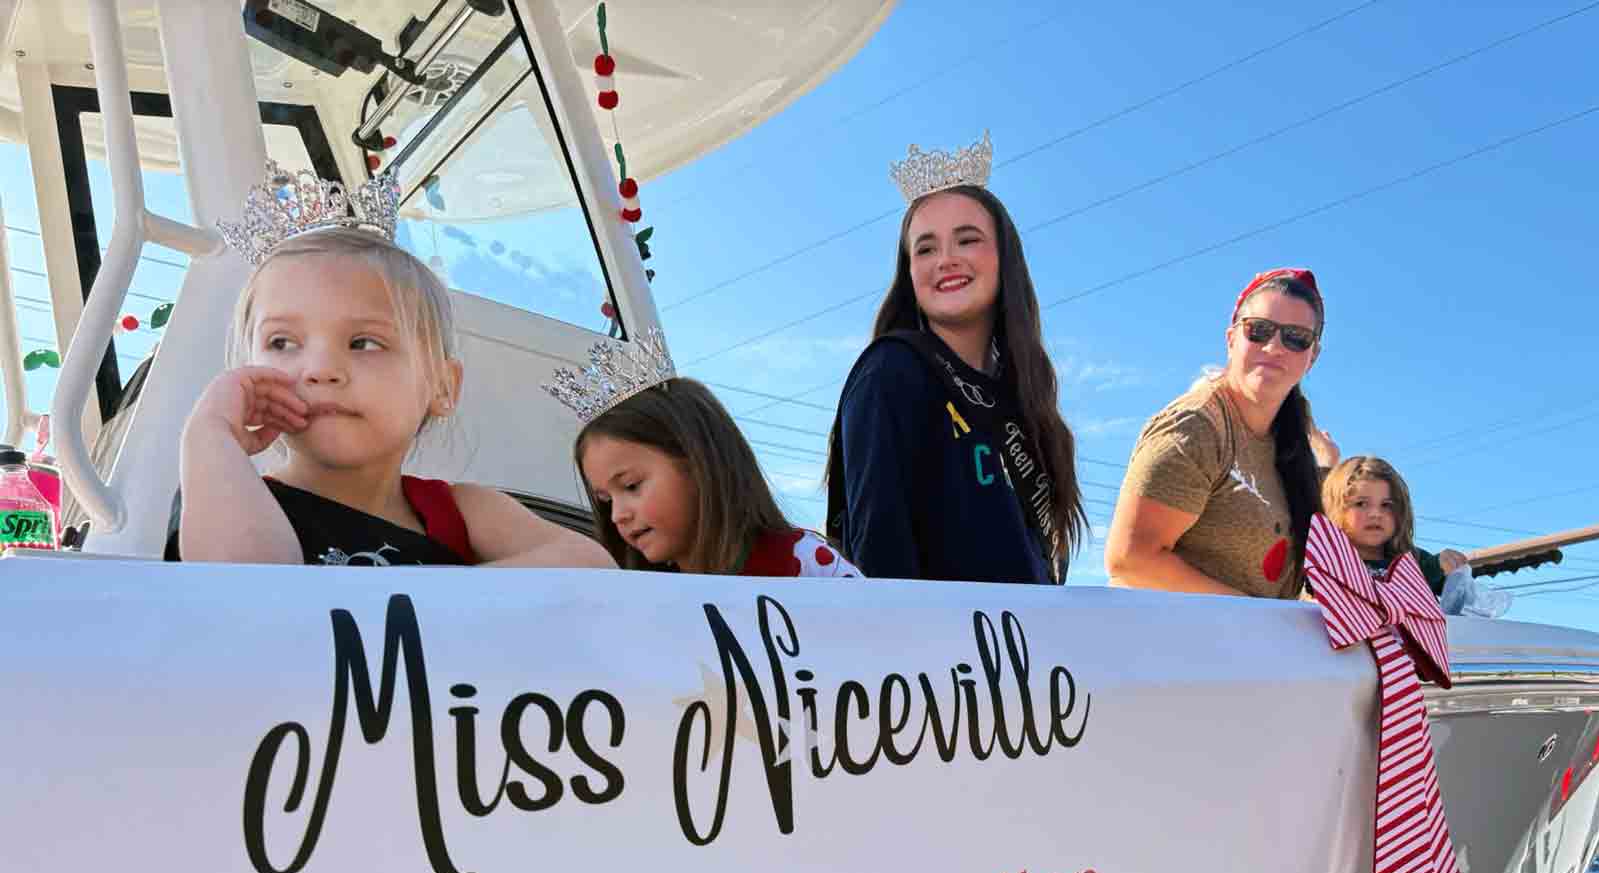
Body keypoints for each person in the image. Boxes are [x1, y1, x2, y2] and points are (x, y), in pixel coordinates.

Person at [172, 165, 612, 568]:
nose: (321, 369)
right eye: (282, 342)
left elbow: (592, 568)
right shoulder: (240, 502)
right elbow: (244, 594)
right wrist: (210, 434)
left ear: (442, 385)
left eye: (363, 342)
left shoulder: (461, 512)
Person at [826, 132, 1084, 583]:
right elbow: (880, 560)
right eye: (925, 248)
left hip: (1026, 648)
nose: (945, 259)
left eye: (966, 240)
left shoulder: (1027, 401)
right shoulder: (891, 373)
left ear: (1004, 258)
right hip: (939, 648)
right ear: (909, 272)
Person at [551, 330, 860, 578]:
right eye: (606, 500)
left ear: (699, 465)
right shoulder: (642, 602)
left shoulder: (806, 566)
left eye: (631, 486)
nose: (618, 515)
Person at [1105, 267, 1333, 597]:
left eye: (1296, 338)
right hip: (1167, 643)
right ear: (1231, 339)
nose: (1274, 347)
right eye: (1259, 330)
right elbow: (1131, 560)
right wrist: (1258, 620)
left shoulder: (1290, 449)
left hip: (1249, 646)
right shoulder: (1195, 428)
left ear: (1312, 357)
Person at [1320, 455, 1468, 596]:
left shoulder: (1417, 560)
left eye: (1386, 505)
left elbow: (1460, 600)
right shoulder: (1326, 562)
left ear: (1401, 511)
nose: (1376, 513)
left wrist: (1447, 568)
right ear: (1336, 509)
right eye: (1361, 503)